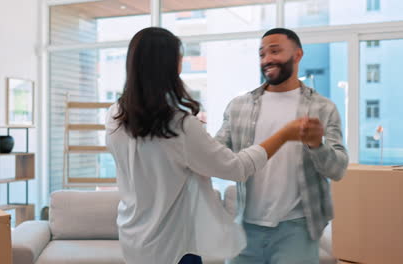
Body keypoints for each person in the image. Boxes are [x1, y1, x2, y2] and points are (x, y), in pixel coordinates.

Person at [105, 27, 307, 264]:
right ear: (170, 66)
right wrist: (283, 135)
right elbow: (237, 168)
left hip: (134, 239)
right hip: (174, 248)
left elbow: (178, 160)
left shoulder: (115, 115)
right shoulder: (178, 125)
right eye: (179, 57)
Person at [215, 28, 349, 264]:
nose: (267, 59)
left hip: (297, 229)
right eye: (261, 54)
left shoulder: (323, 108)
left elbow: (337, 169)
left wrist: (317, 145)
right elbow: (216, 155)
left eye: (275, 51)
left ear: (297, 55)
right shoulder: (238, 106)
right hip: (244, 227)